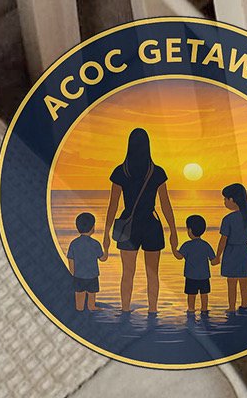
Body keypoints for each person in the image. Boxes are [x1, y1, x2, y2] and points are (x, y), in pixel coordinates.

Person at [100, 126, 178, 319]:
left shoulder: (121, 172)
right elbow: (165, 205)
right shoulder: (157, 172)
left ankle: (125, 311)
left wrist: (106, 234)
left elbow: (113, 205)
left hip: (129, 226)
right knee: (153, 274)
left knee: (128, 274)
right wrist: (173, 231)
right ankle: (152, 312)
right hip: (151, 225)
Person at [215, 183, 247, 315]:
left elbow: (223, 240)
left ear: (232, 200)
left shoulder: (228, 219)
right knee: (244, 281)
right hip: (244, 251)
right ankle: (245, 304)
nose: (224, 202)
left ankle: (231, 307)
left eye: (225, 199)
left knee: (231, 281)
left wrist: (218, 256)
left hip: (231, 252)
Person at [67, 211, 107, 314]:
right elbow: (103, 258)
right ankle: (92, 307)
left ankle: (80, 309)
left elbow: (71, 259)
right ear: (92, 227)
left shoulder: (74, 243)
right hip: (92, 276)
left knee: (79, 299)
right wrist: (106, 248)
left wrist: (73, 272)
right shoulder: (95, 244)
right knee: (92, 296)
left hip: (78, 276)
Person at [178, 213, 214, 318]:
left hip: (191, 276)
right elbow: (213, 259)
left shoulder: (187, 245)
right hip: (204, 276)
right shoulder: (206, 245)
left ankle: (191, 310)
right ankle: (204, 310)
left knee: (191, 295)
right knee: (204, 294)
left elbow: (179, 256)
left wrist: (173, 248)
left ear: (189, 230)